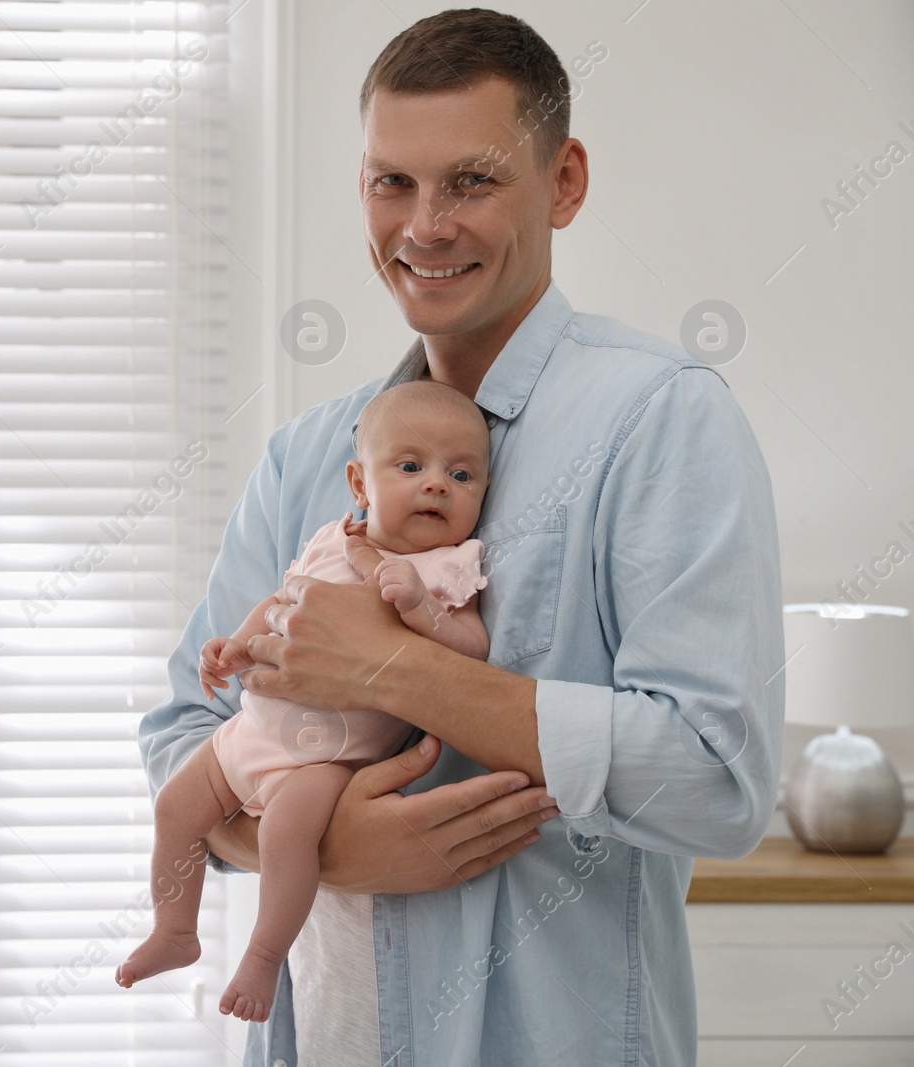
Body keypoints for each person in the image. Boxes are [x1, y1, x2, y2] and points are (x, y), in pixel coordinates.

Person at [138, 8, 783, 1066]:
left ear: (564, 183)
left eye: (471, 182)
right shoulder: (309, 453)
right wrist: (320, 845)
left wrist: (396, 668)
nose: (424, 226)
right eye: (392, 181)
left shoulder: (662, 419)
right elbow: (183, 732)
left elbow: (717, 781)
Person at [116, 381, 492, 1021]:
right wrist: (238, 645)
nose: (437, 485)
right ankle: (174, 930)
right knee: (176, 805)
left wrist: (422, 610)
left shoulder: (447, 567)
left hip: (326, 761)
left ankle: (263, 957)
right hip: (252, 733)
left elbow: (473, 647)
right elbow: (281, 602)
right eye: (411, 467)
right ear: (360, 484)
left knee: (288, 836)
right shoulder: (330, 539)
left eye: (462, 475)